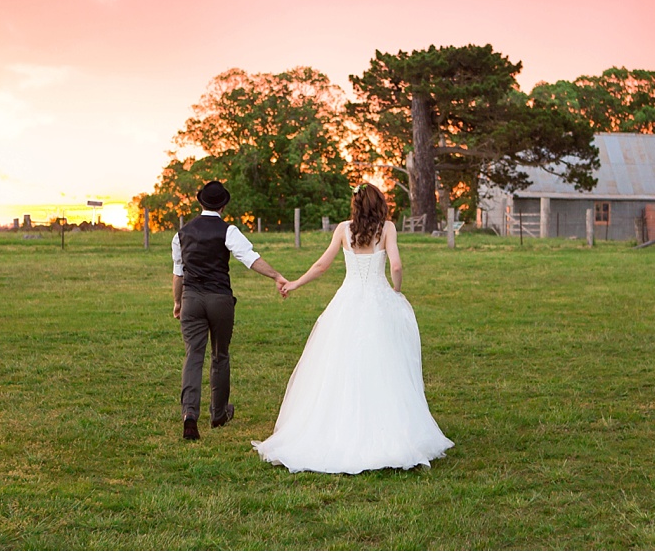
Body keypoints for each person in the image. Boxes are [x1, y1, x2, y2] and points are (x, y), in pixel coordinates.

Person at [252, 183, 453, 473]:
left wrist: (294, 283)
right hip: (379, 301)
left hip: (347, 302)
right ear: (379, 204)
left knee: (339, 363)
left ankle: (337, 424)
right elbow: (396, 267)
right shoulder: (387, 229)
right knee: (386, 363)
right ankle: (387, 426)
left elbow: (321, 266)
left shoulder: (343, 230)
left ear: (355, 205)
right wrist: (396, 291)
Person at [173, 180, 287, 441]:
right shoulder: (228, 230)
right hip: (220, 300)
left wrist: (178, 302)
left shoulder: (182, 233)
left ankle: (189, 414)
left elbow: (178, 272)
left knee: (193, 356)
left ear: (200, 202)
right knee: (220, 355)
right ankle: (218, 413)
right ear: (223, 205)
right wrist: (276, 275)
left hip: (191, 298)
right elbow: (250, 258)